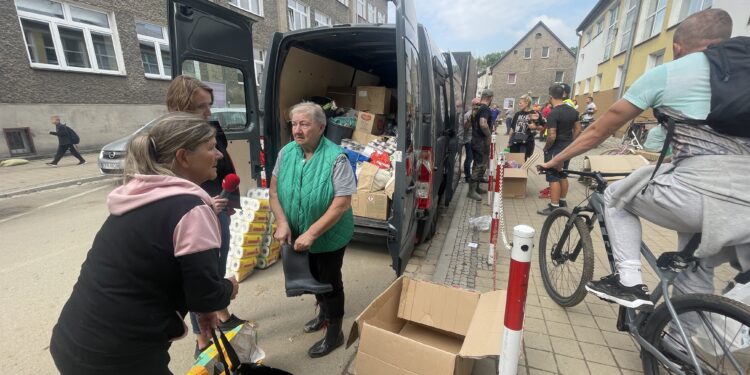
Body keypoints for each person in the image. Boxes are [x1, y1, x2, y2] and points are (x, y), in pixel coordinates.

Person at [539, 9, 750, 309]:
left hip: (697, 192)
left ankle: (628, 281)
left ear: (677, 47)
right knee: (693, 264)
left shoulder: (671, 73)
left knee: (614, 196)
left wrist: (557, 160)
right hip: (744, 205)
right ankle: (682, 344)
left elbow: (602, 128)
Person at [50, 113, 239, 374]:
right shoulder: (191, 210)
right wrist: (229, 287)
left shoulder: (137, 196)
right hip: (120, 355)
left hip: (72, 339)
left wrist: (202, 306)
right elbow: (206, 294)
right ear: (183, 157)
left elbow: (156, 269)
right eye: (210, 148)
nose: (219, 154)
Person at [165, 75, 246, 357]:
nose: (209, 112)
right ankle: (202, 341)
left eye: (209, 105)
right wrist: (201, 203)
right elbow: (169, 184)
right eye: (202, 106)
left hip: (217, 206)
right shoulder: (171, 140)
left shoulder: (208, 127)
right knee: (199, 274)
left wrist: (228, 198)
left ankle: (221, 314)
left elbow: (224, 164)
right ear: (181, 106)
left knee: (216, 265)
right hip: (198, 211)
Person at [269, 102, 356, 358]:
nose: (297, 130)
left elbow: (342, 203)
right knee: (312, 278)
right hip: (297, 232)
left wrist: (312, 233)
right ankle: (322, 315)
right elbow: (274, 191)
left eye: (304, 124)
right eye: (294, 124)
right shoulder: (286, 153)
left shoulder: (336, 158)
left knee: (329, 283)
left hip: (328, 236)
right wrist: (283, 222)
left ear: (321, 127)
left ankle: (335, 333)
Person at [537, 84, 581, 215]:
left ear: (551, 97)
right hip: (567, 147)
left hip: (555, 148)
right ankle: (562, 201)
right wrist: (570, 144)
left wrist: (546, 148)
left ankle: (554, 206)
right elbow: (578, 129)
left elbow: (551, 136)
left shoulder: (553, 113)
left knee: (553, 176)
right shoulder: (573, 111)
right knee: (563, 174)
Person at [467, 90, 493, 201]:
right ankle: (471, 191)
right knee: (479, 166)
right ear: (490, 98)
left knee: (478, 165)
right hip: (481, 142)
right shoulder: (485, 109)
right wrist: (489, 135)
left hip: (475, 140)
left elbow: (468, 123)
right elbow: (483, 124)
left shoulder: (476, 108)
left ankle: (476, 188)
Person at [508, 94, 541, 160]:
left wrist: (535, 127)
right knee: (513, 164)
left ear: (526, 103)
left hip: (526, 144)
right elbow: (512, 129)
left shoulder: (534, 113)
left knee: (522, 164)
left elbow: (541, 127)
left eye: (520, 103)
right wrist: (509, 142)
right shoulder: (517, 114)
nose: (519, 104)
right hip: (515, 143)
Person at [460, 99, 478, 182]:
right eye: (476, 104)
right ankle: (467, 176)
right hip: (469, 140)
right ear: (473, 105)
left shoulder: (480, 114)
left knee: (475, 159)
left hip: (476, 140)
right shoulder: (468, 114)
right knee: (469, 158)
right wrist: (471, 119)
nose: (477, 106)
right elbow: (465, 128)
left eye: (479, 104)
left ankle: (474, 175)